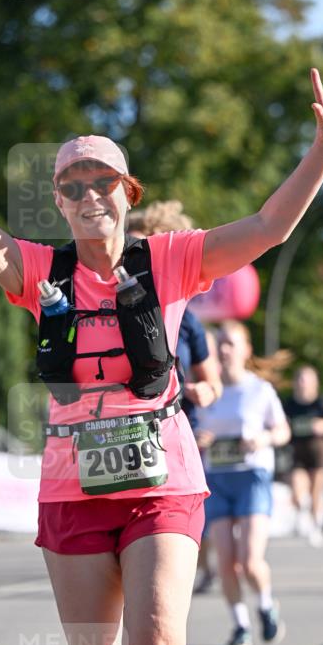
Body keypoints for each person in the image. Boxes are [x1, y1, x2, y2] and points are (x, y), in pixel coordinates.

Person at [0, 67, 323, 645]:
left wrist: (322, 150)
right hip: (72, 488)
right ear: (60, 202)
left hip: (161, 482)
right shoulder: (41, 271)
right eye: (72, 186)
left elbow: (267, 227)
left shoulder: (170, 259)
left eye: (102, 182)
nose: (89, 196)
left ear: (128, 191)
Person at [128, 202, 222, 594]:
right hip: (126, 431)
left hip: (179, 429)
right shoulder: (100, 307)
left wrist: (203, 391)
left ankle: (194, 563)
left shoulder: (186, 318)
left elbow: (212, 383)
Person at [197, 321, 291, 645]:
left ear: (246, 350)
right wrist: (198, 438)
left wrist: (262, 439)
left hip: (252, 477)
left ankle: (265, 605)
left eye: (231, 344)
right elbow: (189, 430)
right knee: (226, 561)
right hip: (217, 478)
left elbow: (282, 431)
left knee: (250, 561)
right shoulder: (206, 391)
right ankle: (240, 625)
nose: (224, 350)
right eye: (220, 344)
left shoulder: (259, 390)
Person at [284, 365, 323, 547]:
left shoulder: (322, 403)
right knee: (298, 489)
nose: (303, 384)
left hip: (318, 454)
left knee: (316, 492)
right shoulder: (289, 405)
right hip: (297, 453)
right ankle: (303, 512)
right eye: (300, 379)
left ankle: (315, 525)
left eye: (307, 380)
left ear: (315, 383)